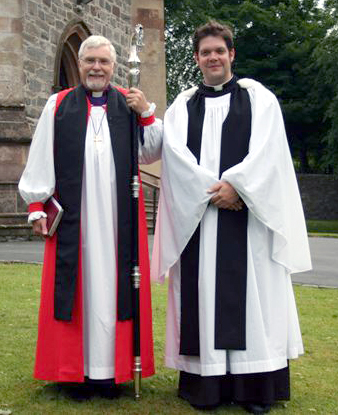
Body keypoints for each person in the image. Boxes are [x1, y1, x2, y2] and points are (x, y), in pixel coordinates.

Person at [146, 21, 312, 414]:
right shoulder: (183, 105)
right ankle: (208, 388)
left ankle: (255, 389)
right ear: (197, 58)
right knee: (201, 295)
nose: (213, 57)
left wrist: (238, 186)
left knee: (255, 300)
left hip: (249, 223)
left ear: (231, 54)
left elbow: (269, 152)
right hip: (201, 222)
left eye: (219, 50)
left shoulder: (259, 98)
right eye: (205, 52)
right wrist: (215, 189)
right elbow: (174, 155)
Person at [18, 35, 161, 400]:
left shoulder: (127, 104)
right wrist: (36, 203)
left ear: (113, 67)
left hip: (118, 221)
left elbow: (151, 152)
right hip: (75, 221)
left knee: (115, 291)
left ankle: (111, 374)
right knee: (76, 292)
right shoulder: (59, 105)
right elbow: (41, 155)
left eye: (104, 61)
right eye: (90, 60)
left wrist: (146, 113)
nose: (96, 67)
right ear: (79, 64)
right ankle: (73, 374)